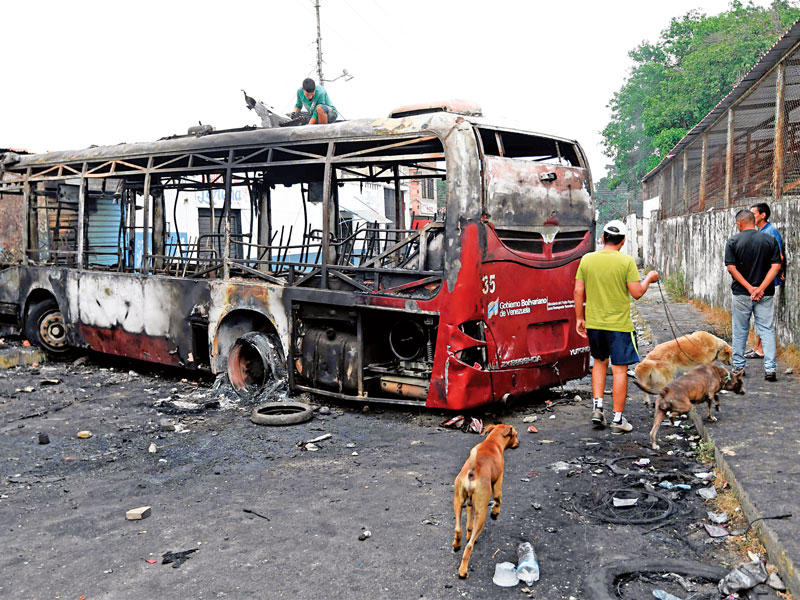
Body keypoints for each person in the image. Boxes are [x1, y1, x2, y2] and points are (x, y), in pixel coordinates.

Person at [574, 220, 659, 434]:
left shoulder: (587, 260)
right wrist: (649, 278)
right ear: (622, 242)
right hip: (619, 326)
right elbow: (637, 292)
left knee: (600, 363)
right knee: (620, 370)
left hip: (594, 323)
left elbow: (578, 292)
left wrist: (579, 318)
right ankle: (618, 419)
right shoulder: (626, 262)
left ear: (602, 239)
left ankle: (598, 409)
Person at [724, 209, 782, 381]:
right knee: (766, 329)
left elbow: (731, 268)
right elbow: (776, 266)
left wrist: (750, 288)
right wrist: (760, 288)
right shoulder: (770, 240)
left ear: (739, 223)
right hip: (765, 294)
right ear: (754, 222)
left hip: (742, 293)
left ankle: (738, 367)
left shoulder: (733, 241)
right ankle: (770, 369)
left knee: (740, 330)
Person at [745, 202, 785, 359]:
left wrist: (779, 271)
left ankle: (761, 349)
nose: (751, 217)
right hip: (759, 279)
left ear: (763, 215)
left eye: (754, 214)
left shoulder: (771, 232)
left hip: (765, 281)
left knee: (762, 316)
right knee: (759, 315)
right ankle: (757, 347)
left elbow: (779, 256)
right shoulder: (759, 231)